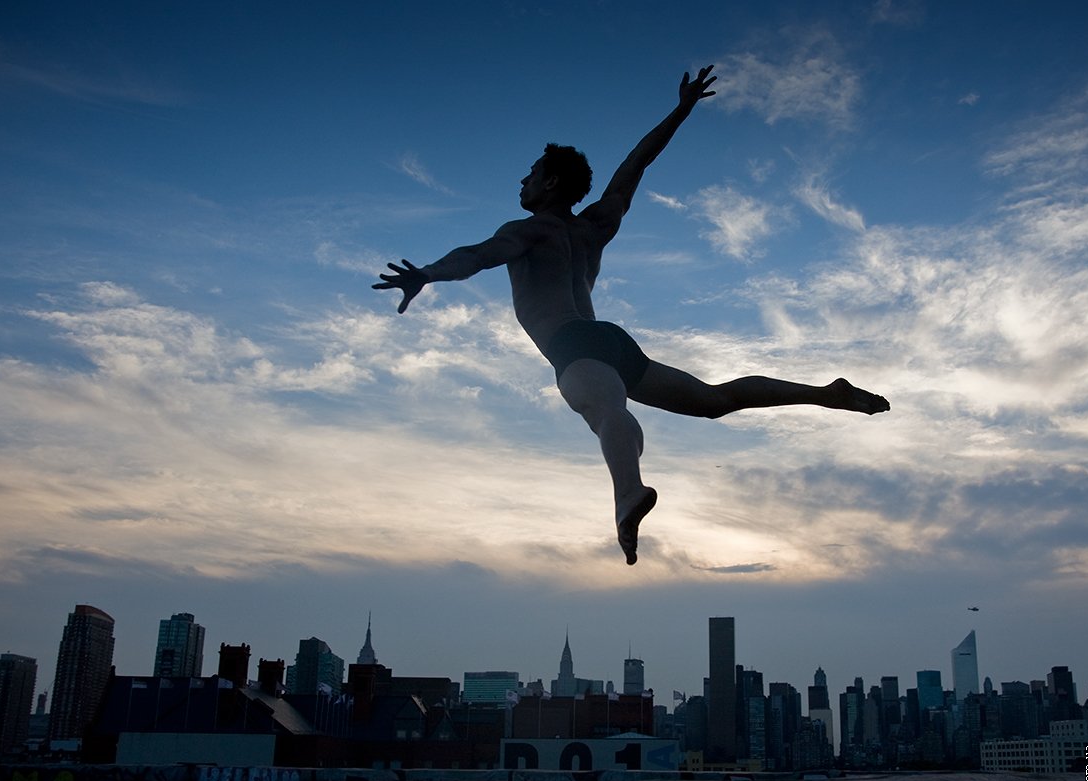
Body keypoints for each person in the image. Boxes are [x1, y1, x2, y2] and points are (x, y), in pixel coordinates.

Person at [374, 67, 889, 565]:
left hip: (573, 345)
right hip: (612, 343)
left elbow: (477, 255)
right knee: (714, 400)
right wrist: (681, 111)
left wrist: (428, 274)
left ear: (551, 182)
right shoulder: (595, 223)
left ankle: (628, 492)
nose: (522, 181)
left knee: (605, 413)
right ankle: (825, 394)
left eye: (531, 174)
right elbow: (635, 165)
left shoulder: (528, 230)